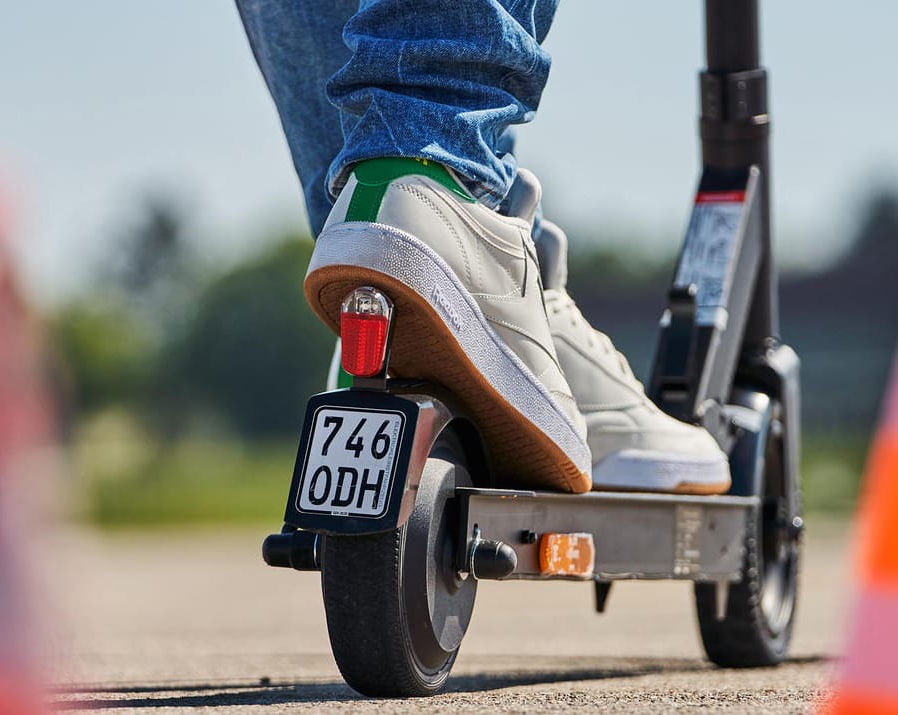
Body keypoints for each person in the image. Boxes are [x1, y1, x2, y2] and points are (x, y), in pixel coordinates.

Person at [236, 0, 730, 495]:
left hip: (352, 222)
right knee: (434, 139)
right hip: (434, 187)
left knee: (387, 154)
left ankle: (398, 228)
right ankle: (439, 178)